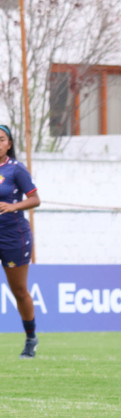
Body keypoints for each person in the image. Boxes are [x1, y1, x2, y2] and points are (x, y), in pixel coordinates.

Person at [0, 124, 40, 358]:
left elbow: (35, 199)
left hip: (14, 236)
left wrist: (13, 206)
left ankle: (30, 338)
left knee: (18, 290)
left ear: (9, 144)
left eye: (1, 139)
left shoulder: (16, 170)